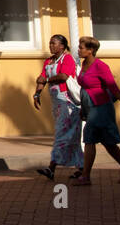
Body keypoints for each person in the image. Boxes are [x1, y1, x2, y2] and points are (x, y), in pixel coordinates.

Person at [74, 36, 120, 185]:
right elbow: (84, 89)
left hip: (100, 108)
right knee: (108, 142)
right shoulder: (84, 65)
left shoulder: (101, 66)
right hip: (90, 107)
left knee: (89, 138)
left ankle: (85, 176)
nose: (79, 50)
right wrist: (83, 109)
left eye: (81, 47)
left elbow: (113, 87)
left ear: (90, 50)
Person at [33, 34, 83, 181]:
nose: (51, 45)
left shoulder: (67, 59)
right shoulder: (49, 61)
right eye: (50, 43)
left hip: (68, 103)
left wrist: (47, 79)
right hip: (56, 104)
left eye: (54, 43)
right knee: (71, 137)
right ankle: (82, 168)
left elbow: (64, 76)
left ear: (62, 46)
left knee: (61, 135)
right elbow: (40, 78)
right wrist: (37, 94)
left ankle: (51, 167)